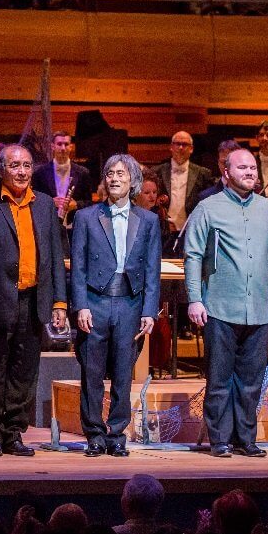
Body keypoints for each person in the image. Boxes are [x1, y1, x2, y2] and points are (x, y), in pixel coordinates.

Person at [184, 148, 268, 458]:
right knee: (219, 379)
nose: (249, 172)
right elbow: (192, 255)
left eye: (252, 168)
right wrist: (194, 299)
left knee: (251, 381)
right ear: (226, 173)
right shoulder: (208, 208)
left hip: (260, 308)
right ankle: (219, 439)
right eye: (242, 167)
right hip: (220, 307)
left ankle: (245, 438)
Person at [0, 144, 67, 457]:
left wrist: (59, 302)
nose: (22, 172)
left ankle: (13, 433)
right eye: (14, 165)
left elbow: (55, 255)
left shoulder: (45, 204)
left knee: (24, 370)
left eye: (26, 165)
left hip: (33, 300)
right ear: (1, 170)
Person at [72, 154, 161, 458]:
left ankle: (117, 434)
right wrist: (80, 306)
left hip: (130, 303)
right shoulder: (86, 217)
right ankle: (94, 435)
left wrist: (149, 311)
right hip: (95, 301)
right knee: (92, 372)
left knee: (123, 373)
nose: (114, 178)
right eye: (110, 173)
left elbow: (152, 269)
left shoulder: (148, 220)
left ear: (133, 180)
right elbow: (78, 266)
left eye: (121, 173)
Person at [153, 131, 214, 235]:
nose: (180, 148)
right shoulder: (157, 172)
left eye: (185, 144)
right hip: (163, 231)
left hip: (192, 231)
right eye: (177, 144)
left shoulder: (203, 173)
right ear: (171, 147)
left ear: (191, 149)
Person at [31, 131, 93, 226]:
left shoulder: (83, 172)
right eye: (59, 144)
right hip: (48, 225)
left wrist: (76, 204)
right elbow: (34, 201)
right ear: (52, 146)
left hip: (74, 225)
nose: (63, 148)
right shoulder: (39, 173)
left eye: (66, 144)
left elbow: (89, 203)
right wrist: (50, 203)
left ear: (71, 147)